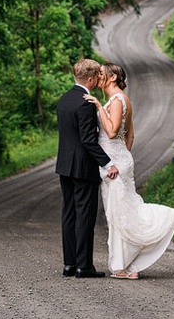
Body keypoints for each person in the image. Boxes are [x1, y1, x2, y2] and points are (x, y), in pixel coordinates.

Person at [83, 62, 174, 280]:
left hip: (116, 167)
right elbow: (129, 136)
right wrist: (122, 156)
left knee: (126, 215)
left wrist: (98, 108)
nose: (98, 77)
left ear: (112, 78)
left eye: (101, 74)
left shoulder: (118, 100)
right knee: (122, 214)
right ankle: (129, 267)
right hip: (118, 163)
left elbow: (111, 133)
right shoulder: (116, 100)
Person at [56, 59, 119, 279]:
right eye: (97, 77)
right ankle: (84, 266)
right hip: (83, 167)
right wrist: (108, 162)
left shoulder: (64, 100)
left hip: (64, 166)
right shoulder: (85, 103)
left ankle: (69, 264)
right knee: (85, 216)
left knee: (69, 214)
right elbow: (88, 140)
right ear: (90, 79)